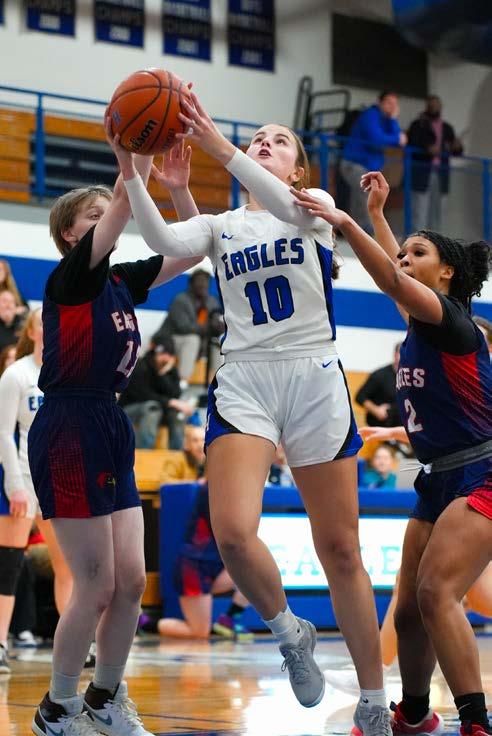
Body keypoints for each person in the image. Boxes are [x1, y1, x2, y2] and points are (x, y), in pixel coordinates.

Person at [111, 91, 394, 735]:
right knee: (233, 533)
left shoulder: (313, 206)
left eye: (279, 139)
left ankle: (374, 699)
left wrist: (217, 142)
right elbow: (160, 239)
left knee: (340, 549)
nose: (265, 142)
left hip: (314, 373)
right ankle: (289, 631)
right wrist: (139, 171)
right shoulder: (220, 226)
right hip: (245, 376)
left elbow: (284, 202)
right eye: (257, 137)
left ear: (298, 167)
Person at [291, 170, 491, 736]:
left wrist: (347, 220)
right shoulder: (423, 325)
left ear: (447, 272)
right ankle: (415, 714)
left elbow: (390, 279)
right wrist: (378, 216)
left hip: (482, 469)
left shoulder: (451, 321)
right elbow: (395, 275)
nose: (403, 258)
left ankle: (475, 720)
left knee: (437, 592)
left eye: (418, 252)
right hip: (438, 476)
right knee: (406, 610)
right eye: (402, 252)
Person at [27, 135, 204, 736]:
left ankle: (104, 696)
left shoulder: (121, 280)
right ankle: (57, 709)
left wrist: (179, 189)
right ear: (70, 233)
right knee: (96, 584)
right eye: (94, 215)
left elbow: (192, 249)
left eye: (107, 210)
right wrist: (134, 159)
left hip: (109, 421)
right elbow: (128, 203)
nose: (110, 216)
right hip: (69, 426)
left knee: (130, 580)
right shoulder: (71, 276)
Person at [325, 424, 492, 698]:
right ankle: (376, 672)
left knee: (468, 594)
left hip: (479, 489)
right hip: (462, 486)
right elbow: (444, 430)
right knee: (411, 581)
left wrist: (394, 433)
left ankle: (381, 675)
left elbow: (456, 430)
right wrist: (394, 433)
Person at [0, 310, 72, 675]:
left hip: (56, 483)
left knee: (68, 568)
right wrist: (14, 484)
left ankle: (73, 645)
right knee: (8, 568)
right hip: (22, 482)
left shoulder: (67, 372)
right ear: (31, 331)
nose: (50, 325)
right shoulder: (16, 375)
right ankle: (0, 644)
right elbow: (3, 433)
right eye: (42, 320)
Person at [158, 481, 253, 641]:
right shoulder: (213, 489)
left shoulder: (237, 489)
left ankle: (229, 619)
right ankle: (145, 623)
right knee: (199, 632)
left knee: (255, 572)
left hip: (216, 564)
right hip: (194, 567)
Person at [340, 91, 407, 233]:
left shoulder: (387, 120)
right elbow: (377, 140)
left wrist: (393, 119)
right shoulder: (370, 115)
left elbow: (399, 140)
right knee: (367, 196)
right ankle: (367, 233)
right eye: (389, 102)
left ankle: (356, 232)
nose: (392, 106)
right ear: (380, 102)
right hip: (355, 164)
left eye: (395, 104)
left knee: (361, 199)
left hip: (368, 167)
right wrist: (397, 138)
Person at [119, 335, 195, 450]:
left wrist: (162, 375)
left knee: (176, 414)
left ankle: (176, 454)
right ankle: (144, 453)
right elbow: (143, 395)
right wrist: (170, 402)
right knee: (153, 408)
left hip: (157, 409)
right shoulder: (140, 366)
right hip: (130, 410)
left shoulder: (169, 370)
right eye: (163, 354)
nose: (165, 358)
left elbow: (175, 394)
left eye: (169, 354)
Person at [152, 267, 223, 386]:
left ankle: (220, 382)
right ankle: (182, 382)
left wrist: (219, 326)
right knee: (192, 339)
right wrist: (210, 327)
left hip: (201, 341)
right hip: (171, 339)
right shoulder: (180, 300)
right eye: (199, 281)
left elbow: (215, 319)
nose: (203, 284)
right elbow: (184, 327)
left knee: (216, 343)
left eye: (205, 281)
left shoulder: (211, 301)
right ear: (191, 283)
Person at [407, 95, 463, 232]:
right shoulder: (418, 125)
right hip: (422, 172)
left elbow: (456, 150)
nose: (434, 108)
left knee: (439, 211)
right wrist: (427, 148)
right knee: (420, 209)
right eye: (431, 105)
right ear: (427, 107)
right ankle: (418, 239)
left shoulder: (447, 128)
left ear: (441, 107)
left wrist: (457, 147)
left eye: (436, 105)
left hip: (441, 173)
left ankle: (435, 241)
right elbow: (412, 142)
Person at [355, 343, 401, 426]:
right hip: (381, 425)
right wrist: (376, 410)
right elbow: (360, 397)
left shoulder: (412, 377)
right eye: (401, 353)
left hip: (402, 427)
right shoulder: (380, 375)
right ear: (395, 354)